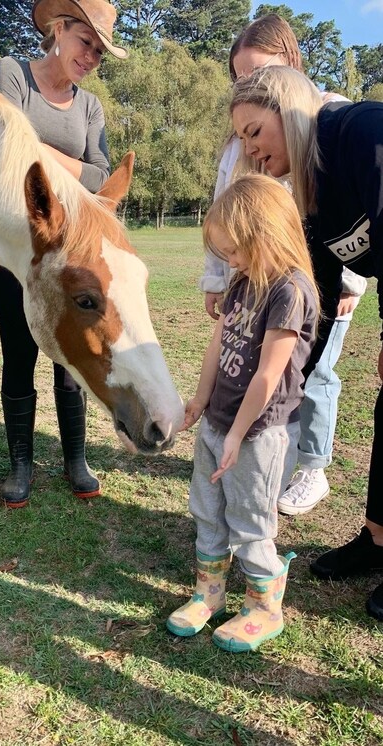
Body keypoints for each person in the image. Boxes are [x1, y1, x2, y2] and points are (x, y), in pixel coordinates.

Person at [230, 64, 383, 621]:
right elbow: (313, 301)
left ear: (288, 110)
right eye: (241, 139)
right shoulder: (308, 190)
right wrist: (280, 391)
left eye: (254, 132)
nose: (249, 151)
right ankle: (378, 541)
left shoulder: (362, 131)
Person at [200, 13, 367, 517]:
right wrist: (220, 275)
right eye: (239, 78)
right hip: (264, 275)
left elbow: (348, 223)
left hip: (307, 280)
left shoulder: (342, 126)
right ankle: (265, 457)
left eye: (257, 75)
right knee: (278, 368)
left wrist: (349, 281)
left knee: (307, 374)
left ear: (288, 73)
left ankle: (307, 465)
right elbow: (229, 204)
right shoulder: (253, 146)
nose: (250, 147)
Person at [0, 0, 127, 508]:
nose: (91, 58)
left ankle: (75, 458)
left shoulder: (91, 107)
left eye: (100, 53)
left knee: (72, 354)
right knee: (17, 352)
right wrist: (73, 168)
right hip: (13, 251)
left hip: (71, 256)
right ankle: (21, 463)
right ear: (59, 29)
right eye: (87, 43)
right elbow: (2, 149)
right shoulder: (12, 74)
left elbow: (103, 177)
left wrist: (41, 154)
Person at [167, 174, 319, 652]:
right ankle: (209, 593)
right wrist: (199, 400)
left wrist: (236, 434)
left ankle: (263, 605)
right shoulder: (242, 282)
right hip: (218, 424)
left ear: (266, 234)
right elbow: (218, 345)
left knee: (251, 522)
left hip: (258, 435)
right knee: (208, 511)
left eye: (233, 250)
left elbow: (267, 376)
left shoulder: (289, 293)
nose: (229, 260)